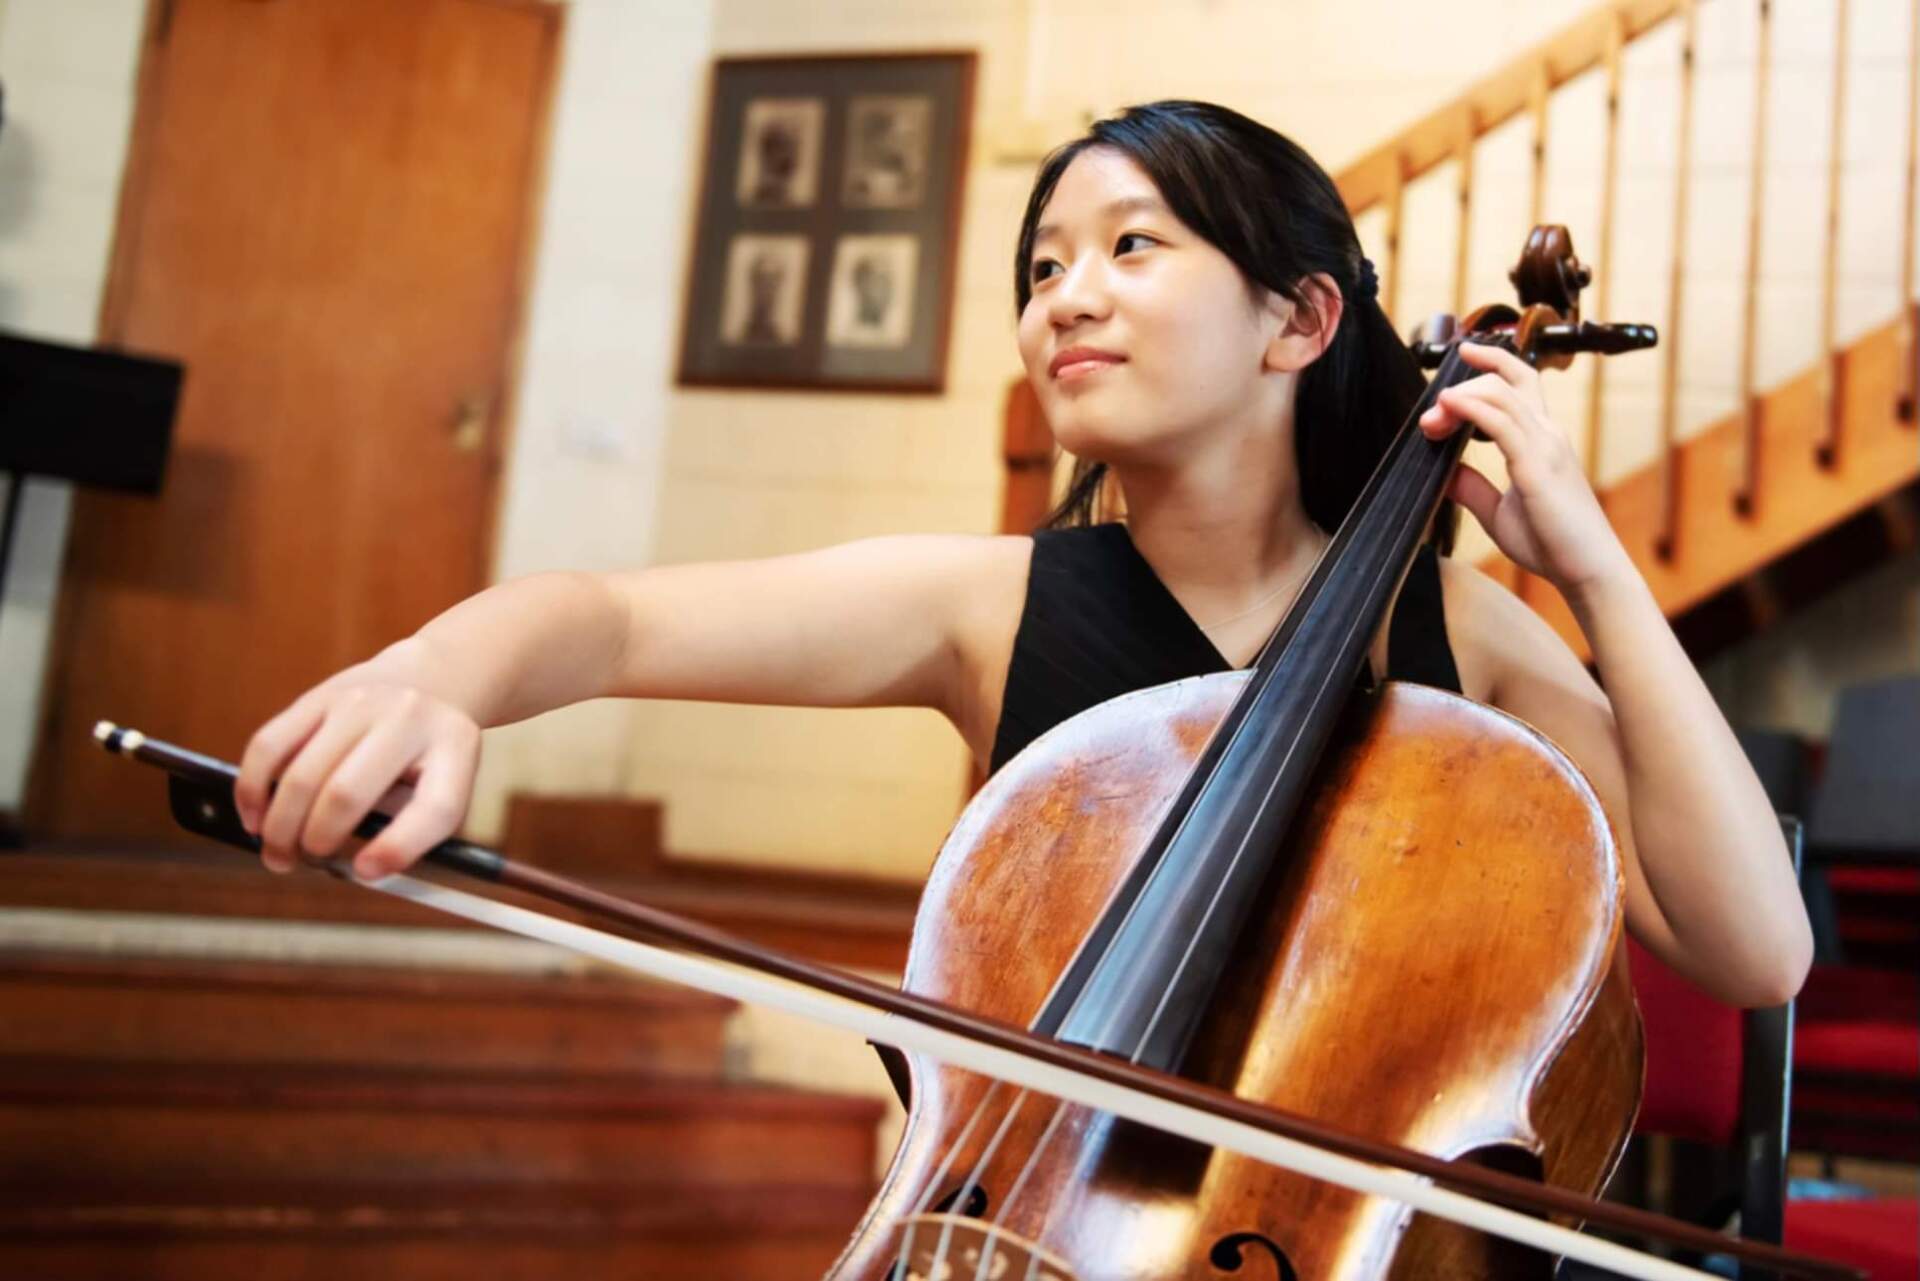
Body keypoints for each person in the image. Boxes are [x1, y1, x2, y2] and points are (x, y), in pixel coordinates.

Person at [235, 101, 1811, 1010]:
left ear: (1300, 321)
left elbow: (1755, 949)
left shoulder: (1456, 631)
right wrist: (431, 676)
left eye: (1130, 246)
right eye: (1043, 266)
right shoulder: (989, 607)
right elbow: (605, 620)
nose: (1065, 296)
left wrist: (1596, 573)